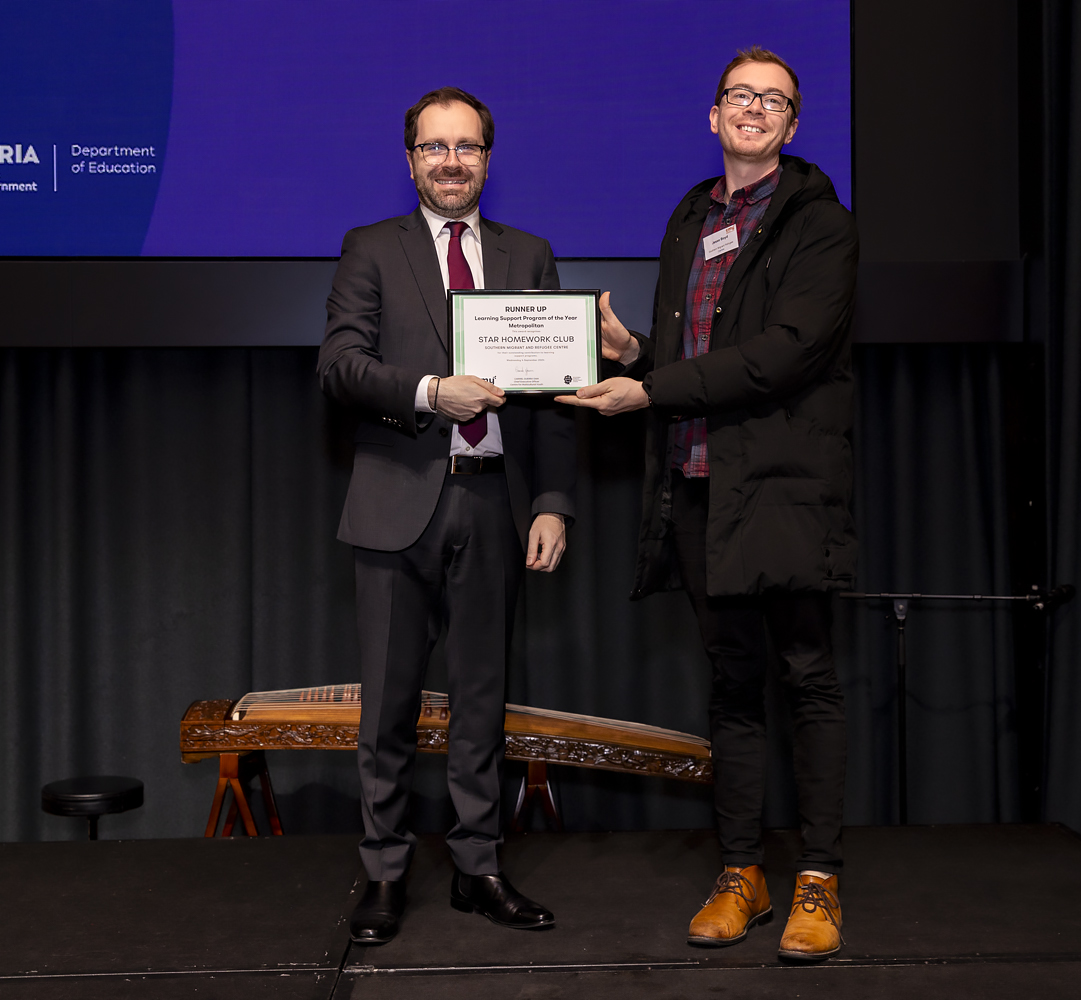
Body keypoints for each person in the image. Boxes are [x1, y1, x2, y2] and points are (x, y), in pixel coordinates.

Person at [559, 48, 856, 961]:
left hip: (785, 489)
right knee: (731, 687)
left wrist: (651, 389)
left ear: (793, 125)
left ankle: (818, 879)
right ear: (714, 113)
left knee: (805, 679)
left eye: (775, 100)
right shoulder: (692, 214)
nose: (754, 110)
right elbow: (702, 352)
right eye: (741, 96)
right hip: (696, 486)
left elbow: (783, 354)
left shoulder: (822, 225)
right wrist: (633, 351)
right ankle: (741, 874)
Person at [318, 86, 574, 945]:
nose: (451, 161)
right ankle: (384, 872)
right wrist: (432, 391)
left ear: (488, 161)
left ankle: (478, 868)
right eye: (435, 147)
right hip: (397, 505)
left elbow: (555, 397)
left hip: (495, 502)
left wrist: (551, 501)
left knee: (482, 703)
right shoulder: (370, 250)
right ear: (411, 159)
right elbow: (340, 367)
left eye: (466, 147)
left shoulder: (528, 253)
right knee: (388, 706)